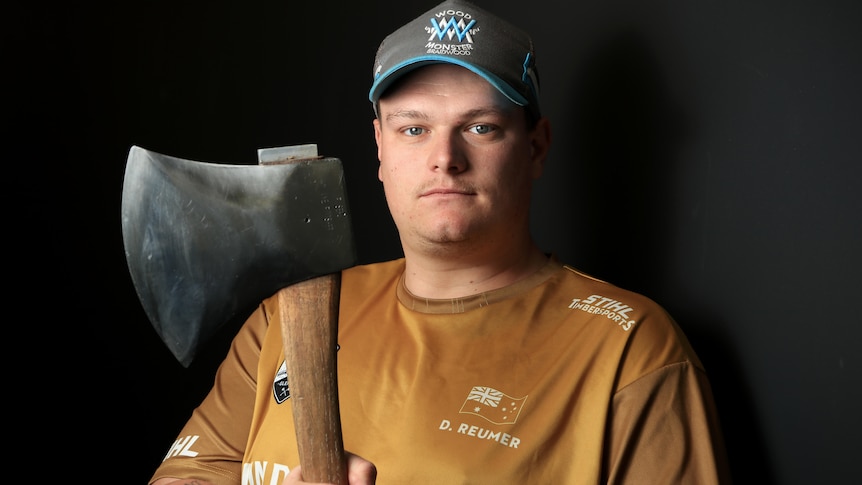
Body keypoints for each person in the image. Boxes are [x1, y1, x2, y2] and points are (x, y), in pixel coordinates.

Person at [149, 1, 731, 484]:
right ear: (379, 146)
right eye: (414, 128)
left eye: (481, 127)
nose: (444, 159)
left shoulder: (629, 352)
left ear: (535, 147)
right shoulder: (285, 318)